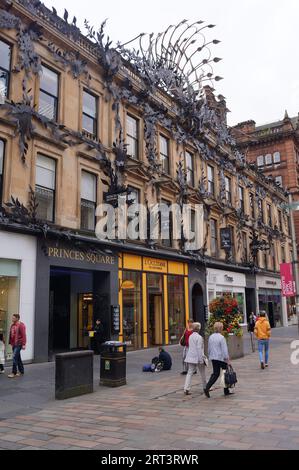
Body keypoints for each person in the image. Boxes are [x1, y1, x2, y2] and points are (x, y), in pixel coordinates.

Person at [204, 322, 232, 398]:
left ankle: (207, 387)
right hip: (221, 358)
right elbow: (224, 350)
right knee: (224, 373)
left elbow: (209, 348)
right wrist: (227, 359)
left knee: (215, 374)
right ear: (221, 328)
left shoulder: (211, 337)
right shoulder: (222, 338)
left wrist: (210, 356)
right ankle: (226, 390)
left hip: (214, 357)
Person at [184, 323, 207, 396]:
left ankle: (186, 388)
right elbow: (199, 349)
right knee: (202, 373)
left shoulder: (191, 336)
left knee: (189, 373)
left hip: (190, 357)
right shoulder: (199, 337)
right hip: (198, 357)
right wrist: (201, 359)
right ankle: (205, 387)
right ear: (199, 329)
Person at [8, 314, 26, 379]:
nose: (12, 319)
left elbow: (24, 335)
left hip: (19, 344)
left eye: (13, 318)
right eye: (12, 317)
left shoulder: (21, 325)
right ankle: (21, 371)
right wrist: (10, 342)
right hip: (14, 344)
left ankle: (13, 372)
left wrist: (24, 344)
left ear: (17, 318)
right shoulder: (12, 325)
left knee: (14, 357)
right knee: (18, 358)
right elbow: (11, 334)